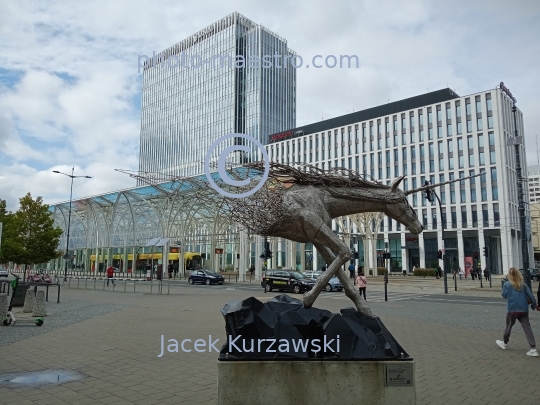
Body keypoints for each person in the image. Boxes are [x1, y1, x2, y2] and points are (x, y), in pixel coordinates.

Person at [496, 267, 538, 356]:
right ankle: (533, 348)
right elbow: (531, 297)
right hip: (523, 309)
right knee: (527, 328)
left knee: (508, 326)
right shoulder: (523, 285)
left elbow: (504, 295)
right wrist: (534, 306)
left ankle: (505, 343)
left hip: (512, 309)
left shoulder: (507, 284)